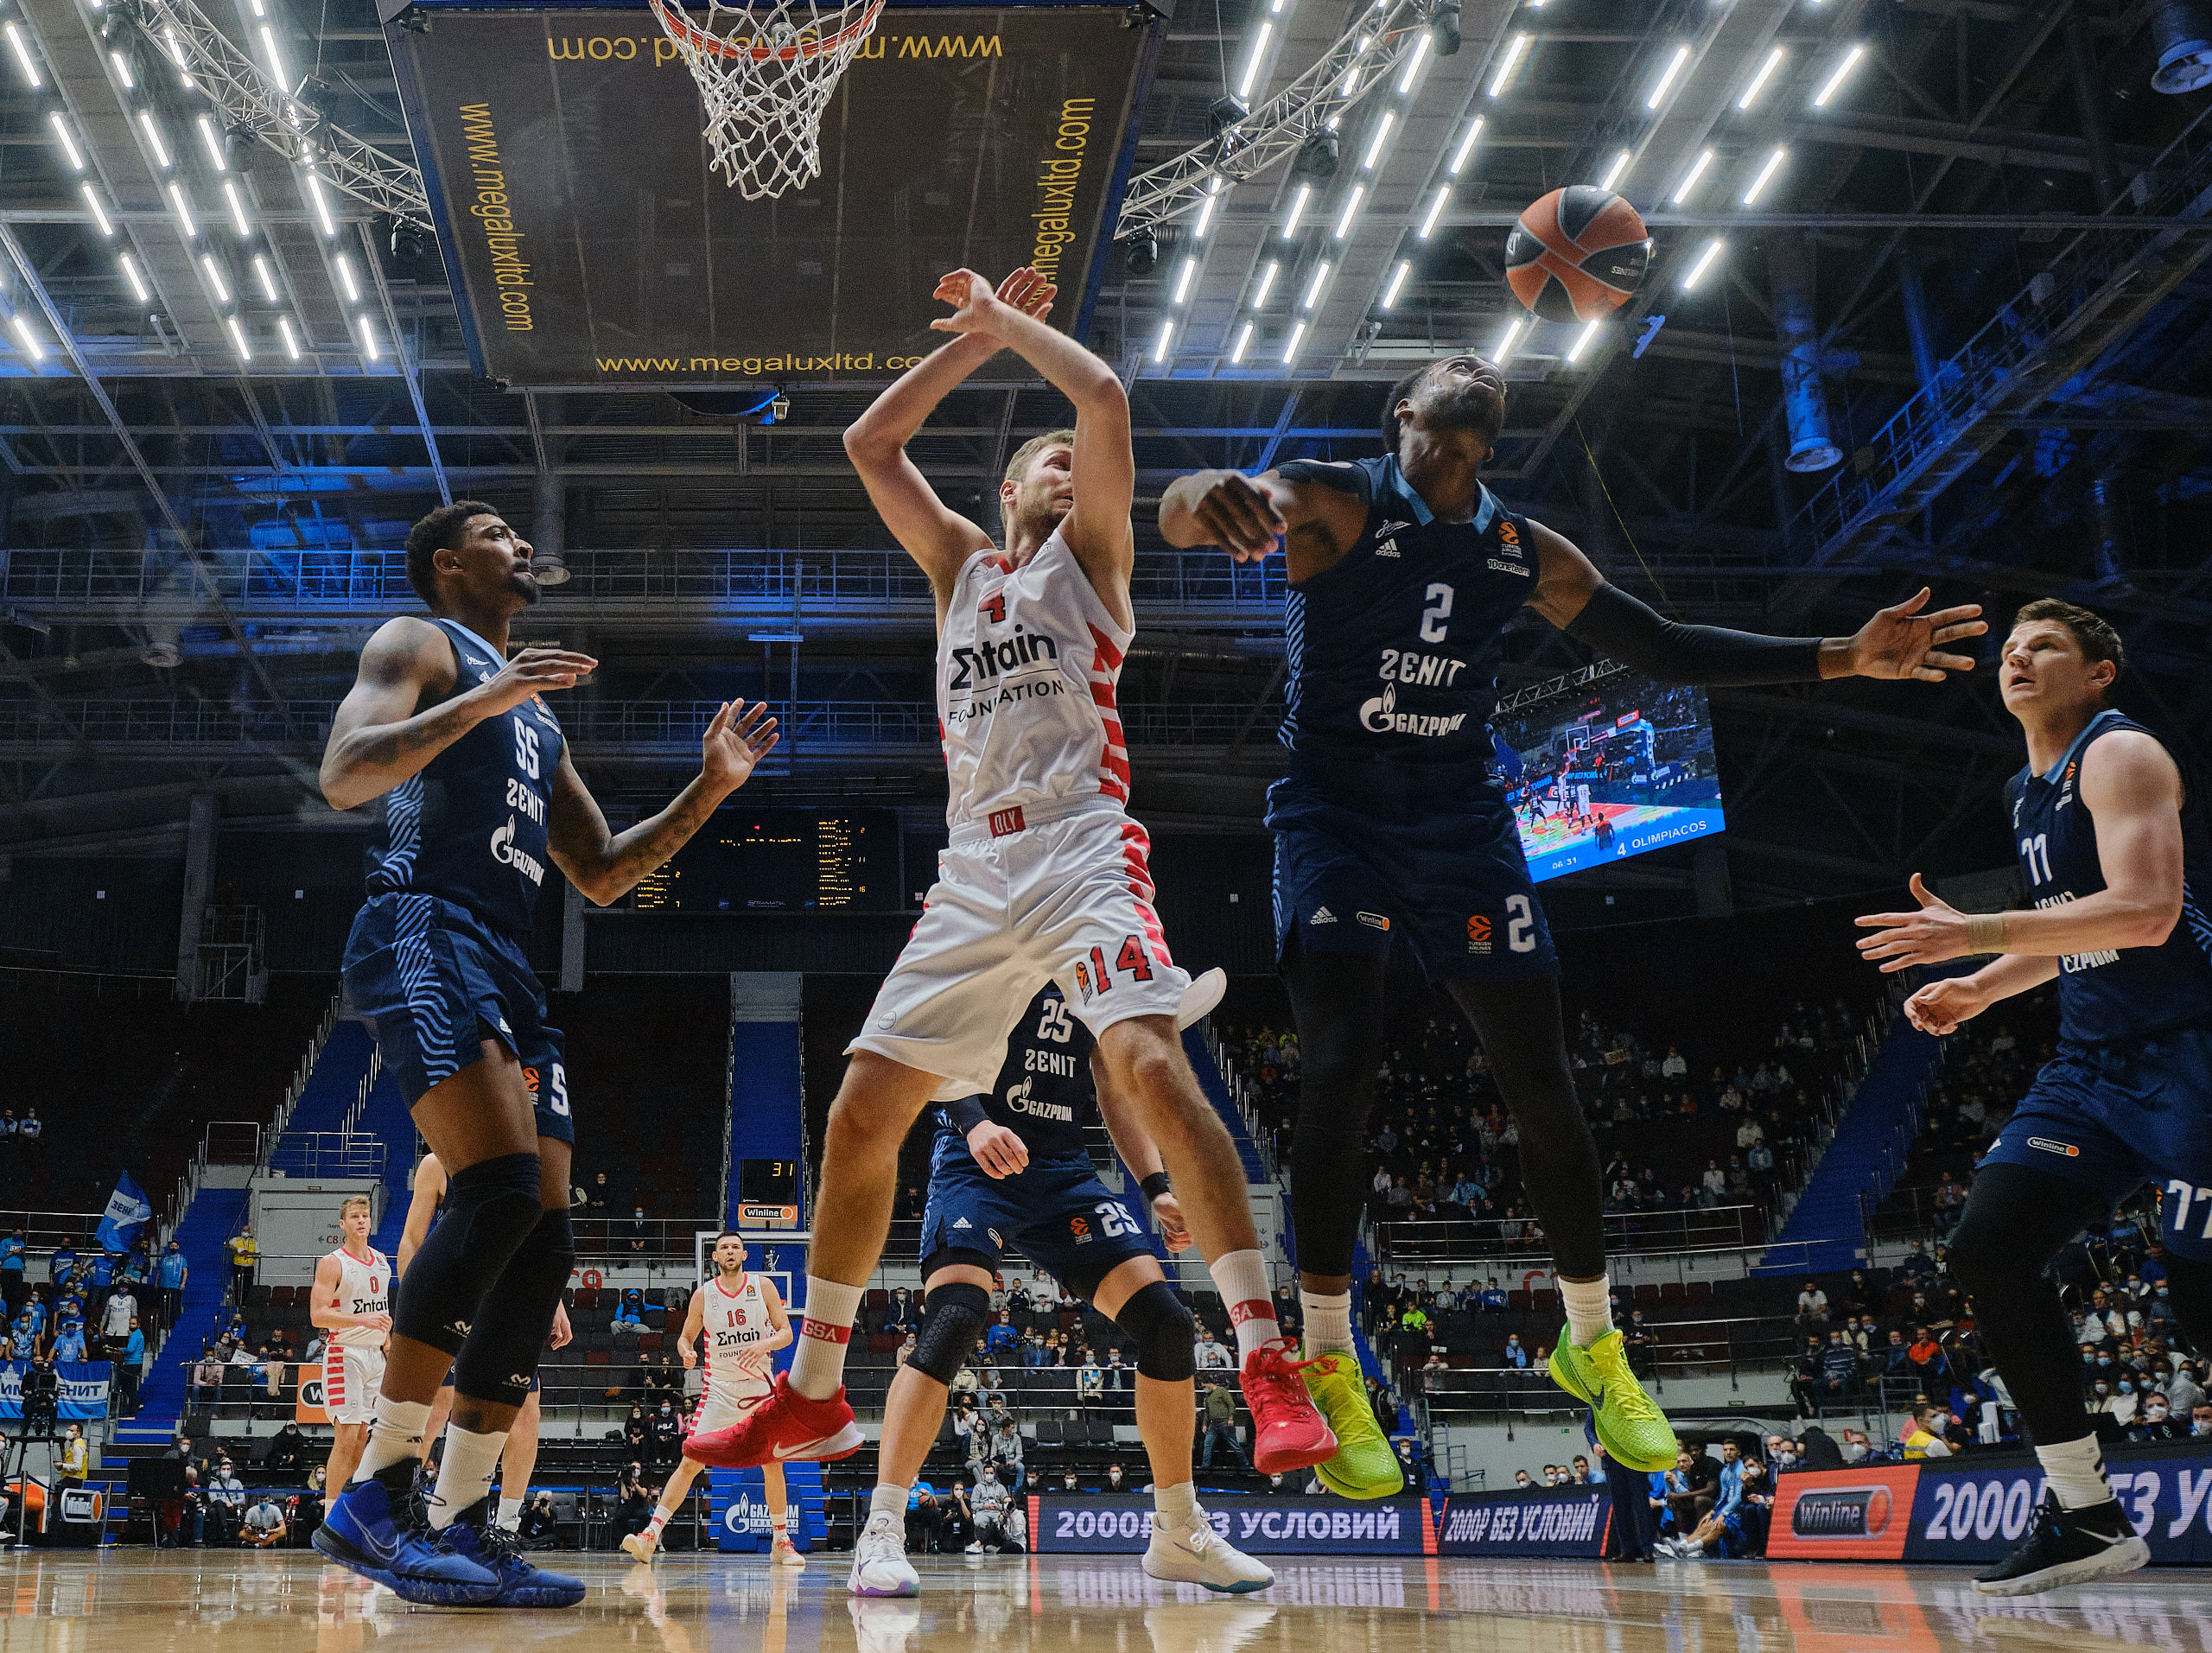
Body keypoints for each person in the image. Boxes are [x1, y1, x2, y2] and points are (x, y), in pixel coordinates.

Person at [1159, 358, 1983, 1497]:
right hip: (1335, 817)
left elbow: (1666, 647)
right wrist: (1200, 493)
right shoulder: (1333, 496)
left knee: (1539, 1076)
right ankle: (1331, 1358)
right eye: (1448, 370)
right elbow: (1192, 501)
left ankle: (1592, 1340)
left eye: (1485, 373)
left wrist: (1847, 652)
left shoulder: (1527, 551)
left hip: (1462, 824)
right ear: (1404, 412)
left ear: (1496, 432)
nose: (1475, 370)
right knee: (1342, 1062)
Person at [684, 267, 1332, 1501]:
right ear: (1006, 489)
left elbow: (1100, 390)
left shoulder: (1091, 561)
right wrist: (968, 349)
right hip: (975, 863)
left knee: (1144, 1059)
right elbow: (870, 442)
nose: (1066, 472)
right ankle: (814, 1395)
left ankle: (1265, 1358)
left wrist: (1007, 326)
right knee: (862, 1111)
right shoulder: (964, 571)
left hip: (1082, 840)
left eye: (1072, 465)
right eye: (1045, 464)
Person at [314, 499, 776, 1607]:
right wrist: (486, 693)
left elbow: (605, 871)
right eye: (495, 530)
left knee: (545, 1231)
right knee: (496, 1186)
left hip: (511, 961)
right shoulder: (414, 643)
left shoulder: (539, 721)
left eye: (523, 532)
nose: (520, 542)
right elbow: (342, 773)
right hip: (423, 923)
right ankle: (373, 1496)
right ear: (446, 561)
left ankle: (465, 1517)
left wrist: (709, 789)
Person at [1858, 601, 2212, 1597]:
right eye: (2010, 645)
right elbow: (2071, 926)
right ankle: (2085, 1510)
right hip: (2091, 1068)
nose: (2016, 654)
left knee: (2201, 1306)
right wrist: (1980, 985)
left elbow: (2145, 912)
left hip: (2191, 1057)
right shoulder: (2026, 788)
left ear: (2098, 672)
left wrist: (1970, 937)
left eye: (2045, 644)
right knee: (1987, 1245)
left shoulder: (2121, 754)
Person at [842, 981, 1269, 1598]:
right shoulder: (1000, 931)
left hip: (1064, 1173)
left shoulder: (1093, 963)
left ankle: (1177, 1529)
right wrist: (976, 1121)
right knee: (955, 1317)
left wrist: (1156, 1188)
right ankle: (881, 1530)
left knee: (1168, 1325)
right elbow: (932, 1047)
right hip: (974, 1160)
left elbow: (1114, 1092)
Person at [399, 1152, 569, 1538]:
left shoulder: (525, 1161)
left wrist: (554, 1299)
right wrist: (413, 1307)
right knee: (438, 1408)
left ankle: (506, 1523)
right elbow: (412, 1240)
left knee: (526, 1414)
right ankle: (406, 1510)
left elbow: (537, 1243)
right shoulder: (438, 1163)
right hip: (455, 1296)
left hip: (512, 1301)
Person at [620, 1231, 804, 1568]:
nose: (730, 1251)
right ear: (715, 1257)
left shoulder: (762, 1287)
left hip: (758, 1389)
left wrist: (765, 1345)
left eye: (735, 1247)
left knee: (772, 1462)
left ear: (745, 1255)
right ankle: (650, 1535)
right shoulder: (703, 1295)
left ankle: (781, 1540)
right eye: (724, 1248)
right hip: (718, 1390)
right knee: (690, 1461)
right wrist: (687, 1352)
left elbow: (787, 1332)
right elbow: (685, 1338)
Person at [310, 1195, 392, 1515]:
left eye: (366, 1216)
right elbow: (318, 1315)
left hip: (375, 1355)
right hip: (345, 1354)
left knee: (362, 1440)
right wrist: (362, 1320)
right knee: (345, 1438)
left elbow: (380, 1310)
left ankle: (351, 1515)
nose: (361, 1221)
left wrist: (388, 1339)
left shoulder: (383, 1262)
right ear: (343, 1224)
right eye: (355, 1216)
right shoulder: (333, 1262)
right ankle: (332, 1518)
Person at [226, 1225, 258, 1301]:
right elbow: (227, 1245)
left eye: (246, 1231)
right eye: (244, 1230)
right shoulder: (236, 1240)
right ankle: (237, 1302)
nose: (245, 1232)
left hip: (249, 1266)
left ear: (249, 1232)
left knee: (248, 1286)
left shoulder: (254, 1242)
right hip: (238, 1265)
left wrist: (249, 1254)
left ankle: (245, 1302)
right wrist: (238, 1250)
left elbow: (258, 1254)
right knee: (237, 1285)